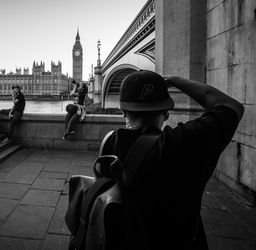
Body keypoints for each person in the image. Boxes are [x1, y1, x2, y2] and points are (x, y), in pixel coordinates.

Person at [101, 70, 244, 249]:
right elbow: (231, 107)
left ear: (122, 111)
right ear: (167, 113)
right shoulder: (184, 142)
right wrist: (176, 81)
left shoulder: (109, 144)